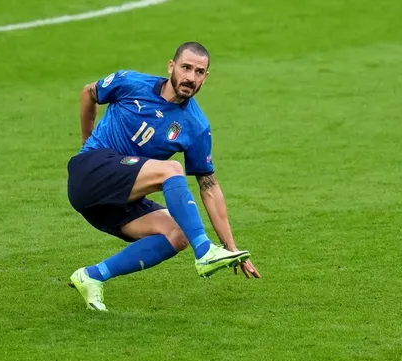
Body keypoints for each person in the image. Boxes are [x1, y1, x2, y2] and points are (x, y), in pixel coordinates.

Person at [67, 42, 260, 312]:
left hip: (111, 202)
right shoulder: (131, 82)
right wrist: (88, 147)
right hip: (90, 172)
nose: (191, 77)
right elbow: (89, 92)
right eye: (186, 68)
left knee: (178, 234)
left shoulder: (196, 126)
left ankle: (91, 277)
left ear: (206, 78)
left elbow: (209, 186)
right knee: (171, 169)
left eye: (199, 72)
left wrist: (230, 247)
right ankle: (204, 251)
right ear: (171, 66)